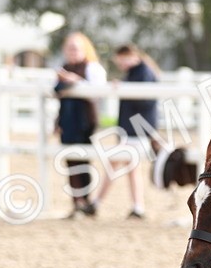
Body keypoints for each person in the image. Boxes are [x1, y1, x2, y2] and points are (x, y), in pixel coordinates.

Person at [92, 44, 158, 220]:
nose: (120, 64)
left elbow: (145, 102)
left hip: (136, 131)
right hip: (133, 130)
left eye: (121, 60)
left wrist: (124, 87)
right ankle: (137, 206)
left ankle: (97, 202)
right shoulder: (138, 72)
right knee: (130, 167)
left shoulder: (142, 72)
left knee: (115, 164)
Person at [54, 32, 106, 218]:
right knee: (71, 162)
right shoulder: (64, 68)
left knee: (83, 161)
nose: (72, 51)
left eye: (75, 48)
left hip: (85, 121)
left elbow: (97, 92)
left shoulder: (92, 68)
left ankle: (85, 201)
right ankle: (77, 203)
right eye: (69, 48)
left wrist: (75, 81)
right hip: (68, 121)